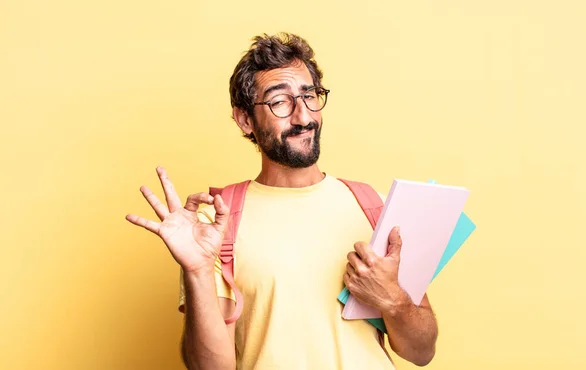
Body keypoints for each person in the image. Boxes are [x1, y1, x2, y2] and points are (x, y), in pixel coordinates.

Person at [126, 32, 438, 370]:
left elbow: (421, 352)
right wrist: (198, 270)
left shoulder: (373, 205)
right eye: (279, 102)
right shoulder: (214, 222)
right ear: (245, 119)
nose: (303, 117)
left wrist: (393, 300)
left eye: (309, 95)